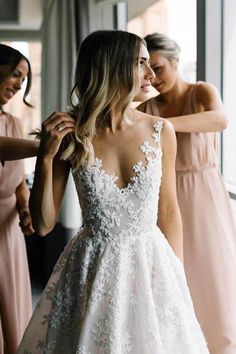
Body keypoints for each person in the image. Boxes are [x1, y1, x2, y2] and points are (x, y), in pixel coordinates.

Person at [17, 30, 209, 354]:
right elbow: (44, 224)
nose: (151, 75)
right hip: (92, 271)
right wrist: (46, 157)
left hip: (151, 267)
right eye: (142, 63)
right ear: (114, 67)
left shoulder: (162, 131)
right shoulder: (72, 134)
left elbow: (169, 211)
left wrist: (177, 280)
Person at [138, 32, 236, 354]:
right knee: (175, 275)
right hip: (163, 197)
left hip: (204, 193)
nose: (153, 76)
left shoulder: (201, 91)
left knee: (212, 273)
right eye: (146, 68)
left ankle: (222, 345)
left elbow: (220, 119)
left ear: (175, 62)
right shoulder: (147, 106)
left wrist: (163, 125)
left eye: (159, 67)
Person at [0, 43, 35, 354]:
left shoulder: (15, 123)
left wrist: (24, 208)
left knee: (11, 304)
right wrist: (48, 144)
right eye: (14, 74)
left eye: (22, 81)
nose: (18, 86)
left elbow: (19, 180)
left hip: (8, 227)